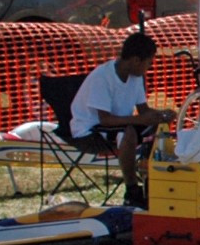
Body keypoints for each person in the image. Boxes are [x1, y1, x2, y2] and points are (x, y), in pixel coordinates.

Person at [69, 31, 170, 209]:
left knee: (156, 125)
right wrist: (140, 119)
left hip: (117, 125)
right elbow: (105, 119)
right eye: (148, 63)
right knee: (128, 132)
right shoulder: (102, 76)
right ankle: (132, 191)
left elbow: (144, 111)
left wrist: (161, 115)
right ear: (136, 61)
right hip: (89, 131)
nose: (149, 67)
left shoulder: (136, 76)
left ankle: (150, 178)